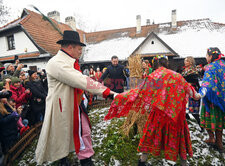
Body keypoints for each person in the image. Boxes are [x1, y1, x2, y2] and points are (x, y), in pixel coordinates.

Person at [35, 30, 115, 166]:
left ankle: (84, 160)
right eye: (79, 49)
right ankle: (65, 159)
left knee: (83, 132)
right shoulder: (56, 63)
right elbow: (80, 80)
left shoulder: (71, 62)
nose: (81, 52)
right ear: (70, 47)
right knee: (62, 135)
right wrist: (109, 93)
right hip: (62, 107)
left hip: (74, 105)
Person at [105, 55, 200, 166]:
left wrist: (118, 96)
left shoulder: (153, 76)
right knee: (178, 138)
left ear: (155, 64)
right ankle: (184, 163)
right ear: (166, 63)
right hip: (176, 115)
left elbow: (139, 92)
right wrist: (202, 93)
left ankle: (142, 161)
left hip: (158, 114)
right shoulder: (177, 76)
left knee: (149, 136)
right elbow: (194, 94)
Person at [198, 47, 225, 153]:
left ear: (210, 56)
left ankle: (211, 138)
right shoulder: (223, 64)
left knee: (208, 120)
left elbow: (207, 83)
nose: (206, 57)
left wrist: (201, 93)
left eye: (206, 55)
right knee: (219, 120)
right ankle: (219, 143)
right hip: (223, 99)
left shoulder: (210, 67)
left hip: (212, 99)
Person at [182, 56, 203, 132]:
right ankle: (185, 125)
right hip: (185, 92)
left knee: (194, 112)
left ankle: (201, 126)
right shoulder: (185, 70)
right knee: (184, 109)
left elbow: (194, 82)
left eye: (187, 61)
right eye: (185, 60)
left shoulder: (193, 71)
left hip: (191, 91)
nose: (185, 62)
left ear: (190, 62)